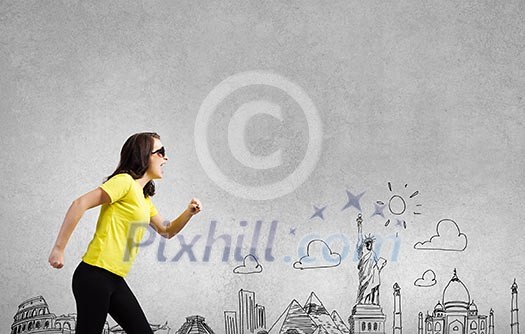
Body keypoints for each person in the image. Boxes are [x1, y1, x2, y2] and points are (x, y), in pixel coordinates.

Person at [48, 132, 202, 333]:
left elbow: (167, 230)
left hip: (114, 279)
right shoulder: (124, 182)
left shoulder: (144, 198)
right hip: (94, 275)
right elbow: (80, 203)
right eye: (161, 152)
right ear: (144, 155)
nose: (166, 158)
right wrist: (59, 249)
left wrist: (189, 212)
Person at [355, 213, 386, 305]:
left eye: (372, 243)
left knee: (374, 287)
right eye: (369, 243)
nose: (371, 245)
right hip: (365, 275)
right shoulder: (362, 252)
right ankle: (362, 302)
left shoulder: (373, 253)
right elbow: (359, 240)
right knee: (364, 288)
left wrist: (381, 264)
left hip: (373, 274)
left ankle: (373, 302)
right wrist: (359, 226)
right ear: (366, 244)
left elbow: (376, 264)